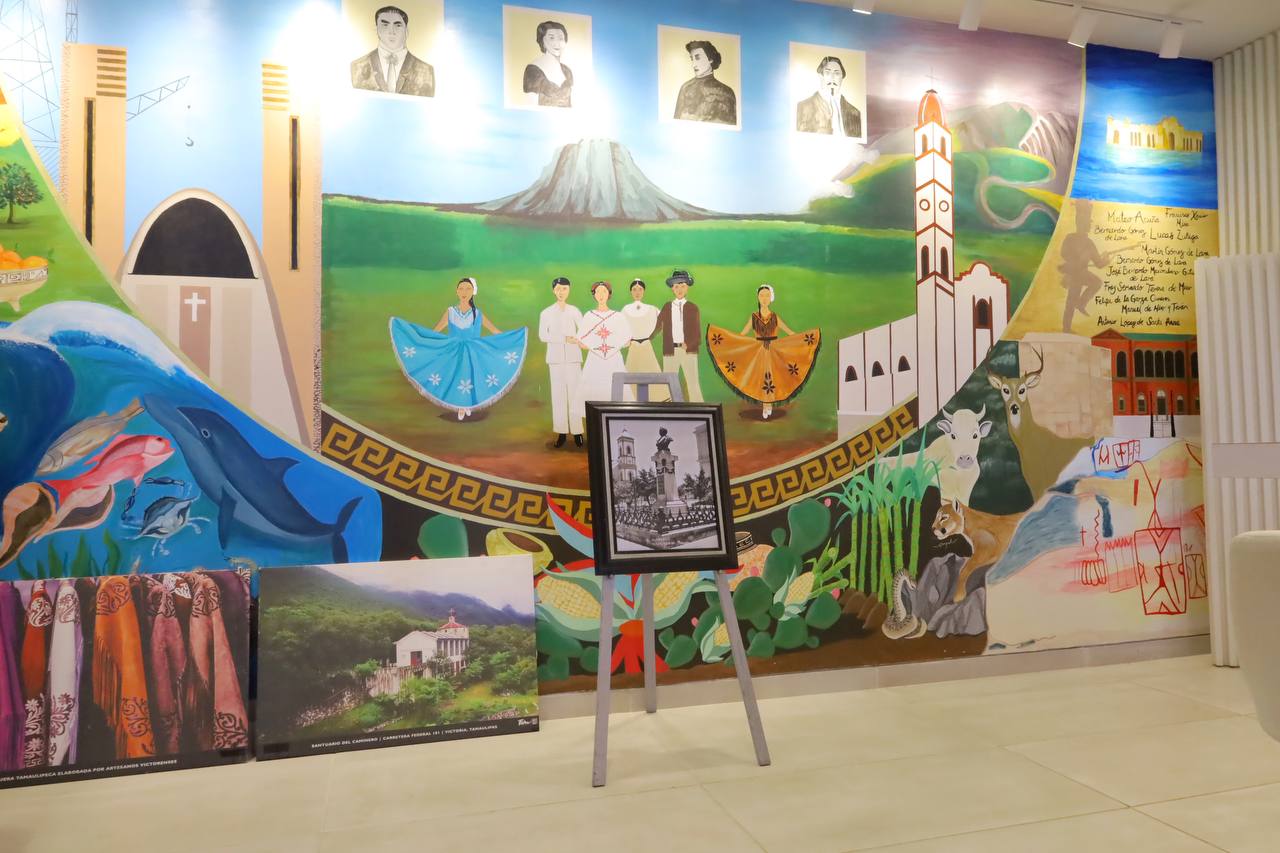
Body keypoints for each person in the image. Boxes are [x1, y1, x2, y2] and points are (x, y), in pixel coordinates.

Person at [389, 277, 527, 420]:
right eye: (461, 288)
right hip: (453, 351)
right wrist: (422, 340)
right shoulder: (450, 312)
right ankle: (460, 406)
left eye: (468, 289)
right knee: (456, 377)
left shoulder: (477, 313)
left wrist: (513, 338)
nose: (464, 292)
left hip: (474, 351)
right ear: (456, 291)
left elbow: (494, 331)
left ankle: (468, 405)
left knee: (471, 377)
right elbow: (436, 331)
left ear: (473, 292)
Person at [706, 284, 821, 420]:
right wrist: (731, 342)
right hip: (758, 351)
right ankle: (766, 406)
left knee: (773, 377)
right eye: (761, 295)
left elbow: (790, 333)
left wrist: (802, 340)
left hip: (774, 351)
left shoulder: (775, 317)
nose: (764, 298)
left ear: (771, 298)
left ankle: (768, 405)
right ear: (758, 297)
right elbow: (742, 335)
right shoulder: (754, 317)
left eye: (767, 295)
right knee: (760, 378)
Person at [570, 282, 630, 427]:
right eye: (598, 292)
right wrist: (595, 346)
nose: (601, 295)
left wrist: (611, 345)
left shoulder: (618, 316)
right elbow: (581, 342)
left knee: (616, 393)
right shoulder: (589, 316)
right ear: (594, 295)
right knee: (594, 394)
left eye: (604, 291)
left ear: (609, 294)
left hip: (614, 360)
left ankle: (616, 426)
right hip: (594, 361)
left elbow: (627, 341)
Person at [538, 276, 584, 447]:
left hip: (573, 358)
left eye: (564, 289)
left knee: (575, 394)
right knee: (558, 396)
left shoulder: (574, 311)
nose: (561, 292)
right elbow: (543, 335)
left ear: (569, 290)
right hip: (555, 359)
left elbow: (583, 330)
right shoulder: (546, 313)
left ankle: (578, 432)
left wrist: (576, 339)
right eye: (558, 289)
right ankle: (562, 432)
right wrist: (564, 339)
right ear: (553, 291)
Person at [351, 5, 436, 97]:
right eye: (385, 25)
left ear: (406, 31)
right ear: (377, 29)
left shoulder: (426, 71)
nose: (391, 31)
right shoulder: (357, 67)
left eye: (398, 25)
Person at [653, 269, 704, 402]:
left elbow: (697, 334)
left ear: (687, 288)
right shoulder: (667, 307)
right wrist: (645, 338)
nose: (679, 289)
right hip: (670, 351)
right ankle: (670, 410)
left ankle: (698, 409)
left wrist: (689, 344)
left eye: (682, 286)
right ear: (672, 289)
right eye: (676, 287)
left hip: (689, 351)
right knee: (668, 383)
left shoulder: (693, 308)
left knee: (693, 383)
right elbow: (657, 326)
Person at [620, 278, 670, 402]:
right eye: (634, 289)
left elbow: (664, 323)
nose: (637, 292)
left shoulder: (652, 309)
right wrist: (626, 341)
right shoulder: (625, 309)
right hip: (633, 347)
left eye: (640, 289)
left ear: (644, 291)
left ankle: (655, 401)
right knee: (632, 374)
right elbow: (621, 327)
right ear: (631, 292)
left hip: (647, 346)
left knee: (651, 373)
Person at [795, 56, 862, 137]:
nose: (832, 78)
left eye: (837, 73)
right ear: (821, 76)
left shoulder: (854, 113)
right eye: (827, 73)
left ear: (842, 78)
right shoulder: (803, 107)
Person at [673, 40, 737, 126]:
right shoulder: (685, 88)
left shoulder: (727, 92)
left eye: (698, 58)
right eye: (692, 59)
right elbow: (676, 123)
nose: (694, 64)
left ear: (710, 59)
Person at [523, 20, 574, 108]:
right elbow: (530, 105)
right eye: (551, 38)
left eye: (561, 38)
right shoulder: (532, 70)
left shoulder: (567, 71)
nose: (557, 43)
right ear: (542, 41)